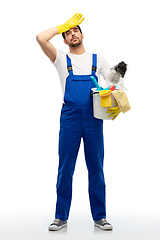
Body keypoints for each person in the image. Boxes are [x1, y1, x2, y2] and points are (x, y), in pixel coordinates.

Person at [36, 13, 115, 231]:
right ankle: (60, 217)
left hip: (93, 118)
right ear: (64, 40)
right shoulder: (61, 58)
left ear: (82, 34)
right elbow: (41, 38)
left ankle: (100, 217)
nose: (72, 34)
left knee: (96, 168)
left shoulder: (97, 60)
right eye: (68, 32)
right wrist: (61, 25)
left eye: (75, 30)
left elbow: (113, 84)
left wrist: (113, 90)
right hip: (69, 118)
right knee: (65, 168)